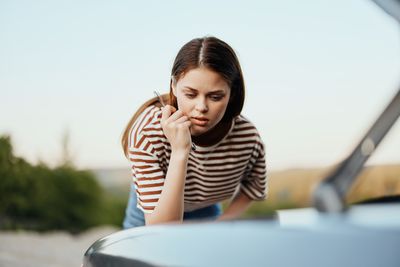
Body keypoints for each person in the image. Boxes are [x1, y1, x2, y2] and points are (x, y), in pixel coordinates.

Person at [121, 36, 267, 228]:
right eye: (190, 94)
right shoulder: (147, 133)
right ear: (173, 85)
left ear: (232, 93)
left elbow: (255, 185)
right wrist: (180, 151)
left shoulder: (247, 137)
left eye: (215, 97)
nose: (201, 107)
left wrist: (225, 223)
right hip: (152, 212)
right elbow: (163, 229)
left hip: (206, 209)